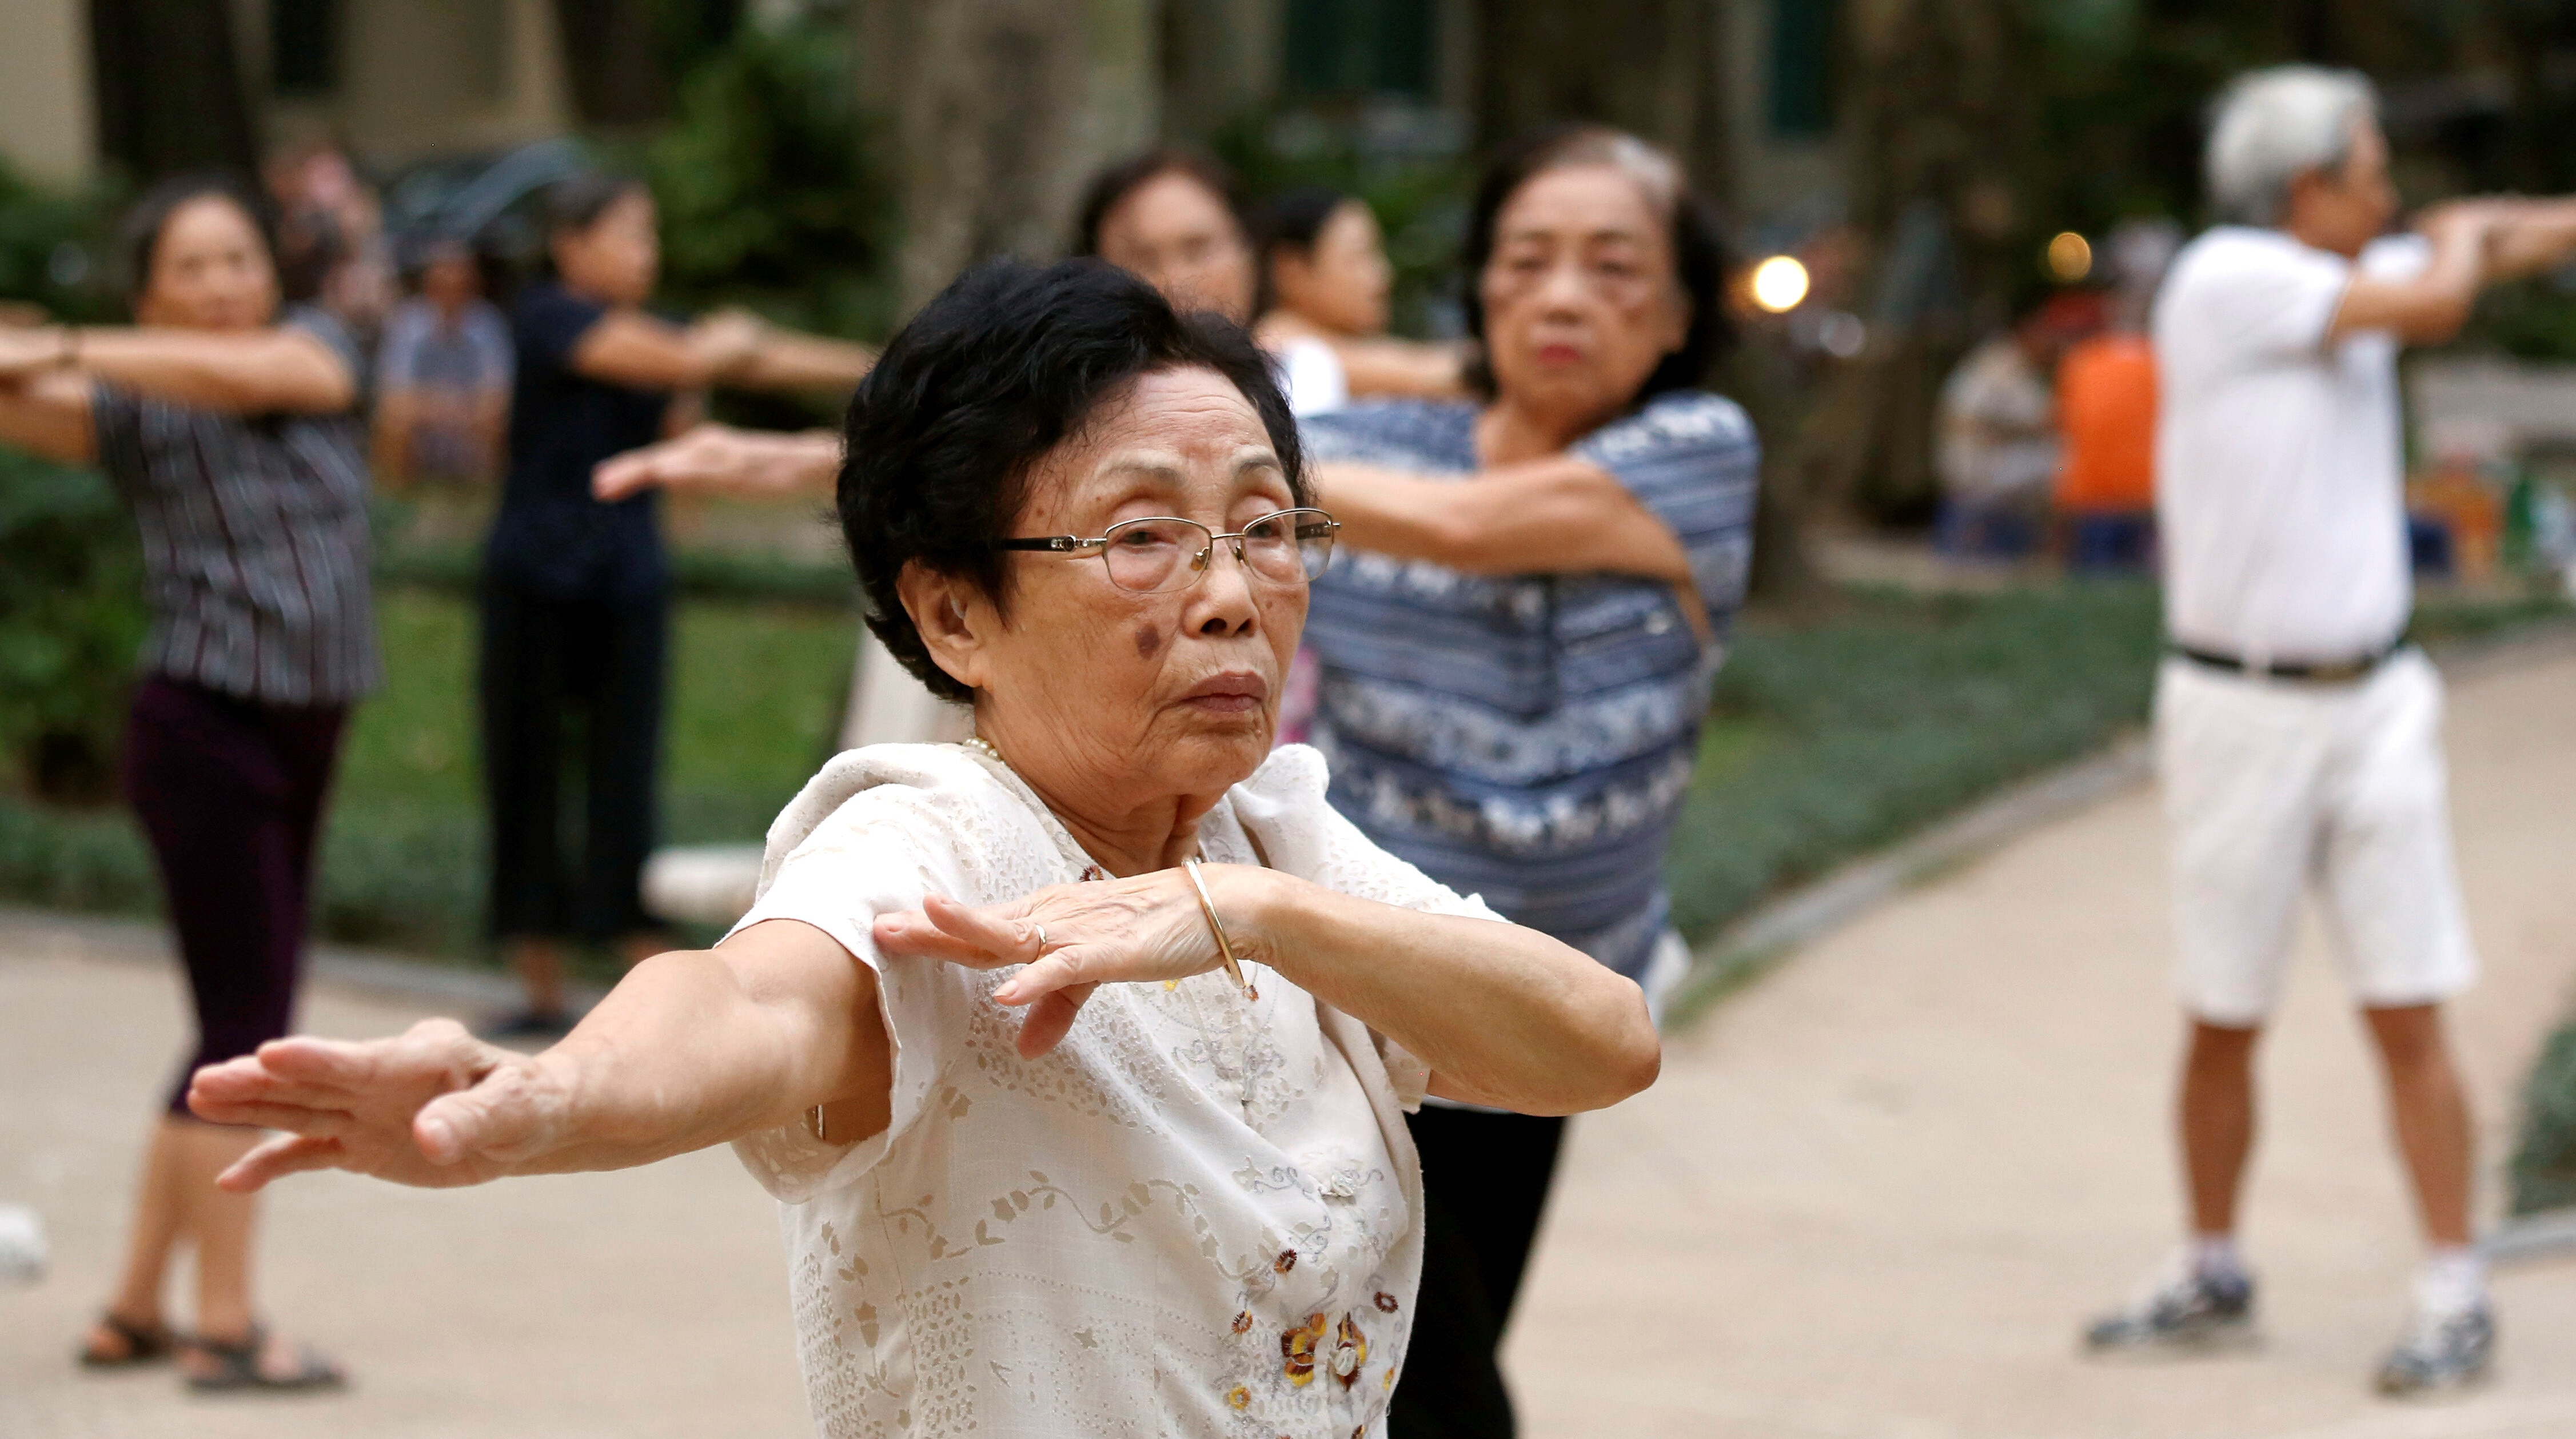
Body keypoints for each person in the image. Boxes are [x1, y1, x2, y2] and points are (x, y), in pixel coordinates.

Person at [185, 257, 1663, 1438]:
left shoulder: (1270, 832)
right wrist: (551, 1090)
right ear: (955, 612)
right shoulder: (934, 839)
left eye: (1267, 528)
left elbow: (1602, 1039)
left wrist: (1258, 910)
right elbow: (753, 1001)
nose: (1231, 595)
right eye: (1140, 537)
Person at [2079, 65, 2576, 1393]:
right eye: (2368, 167)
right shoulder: (2227, 275)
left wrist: (2512, 222)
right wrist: (2464, 239)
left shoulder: (2333, 274)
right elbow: (2443, 281)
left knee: (2408, 1001)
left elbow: (2490, 238)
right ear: (2302, 187)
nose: (2389, 189)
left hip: (2375, 701)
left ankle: (2453, 1288)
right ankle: (2208, 1262)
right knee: (2221, 1010)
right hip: (2235, 707)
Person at [1294, 125, 1759, 1436]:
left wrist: (1243, 464)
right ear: (1482, 289)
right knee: (1422, 1378)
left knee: (1415, 1352)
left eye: (1612, 267)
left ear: (1673, 312)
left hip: (1548, 1005)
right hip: (1359, 1003)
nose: (1561, 296)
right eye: (1527, 259)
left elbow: (1468, 530)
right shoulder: (1363, 443)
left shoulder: (1698, 451)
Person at [0, 173, 376, 1391]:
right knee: (245, 1028)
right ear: (150, 290)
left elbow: (286, 380)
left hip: (305, 725)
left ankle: (132, 1307)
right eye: (194, 267)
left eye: (238, 261)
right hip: (205, 723)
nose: (224, 284)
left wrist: (51, 338)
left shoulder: (313, 346)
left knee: (230, 1018)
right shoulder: (127, 408)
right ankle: (224, 1321)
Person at [480, 173, 875, 1035]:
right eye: (626, 233)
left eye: (649, 236)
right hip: (534, 573)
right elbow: (696, 358)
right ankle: (540, 975)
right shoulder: (547, 314)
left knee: (627, 762)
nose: (644, 252)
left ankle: (640, 959)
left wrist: (883, 364)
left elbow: (751, 356)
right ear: (570, 245)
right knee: (531, 768)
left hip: (626, 570)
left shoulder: (661, 332)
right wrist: (723, 345)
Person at [1253, 186, 1468, 412]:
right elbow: (1440, 375)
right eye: (1360, 256)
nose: (1383, 275)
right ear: (1292, 270)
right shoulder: (1281, 352)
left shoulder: (1339, 350)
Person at [372, 236, 513, 488]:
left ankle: (485, 495)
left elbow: (497, 395)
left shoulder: (488, 324)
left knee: (495, 419)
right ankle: (397, 495)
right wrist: (446, 407)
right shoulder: (407, 324)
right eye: (443, 283)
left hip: (469, 424)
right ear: (429, 285)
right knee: (395, 418)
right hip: (428, 424)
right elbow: (394, 394)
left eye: (459, 284)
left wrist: (457, 410)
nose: (451, 290)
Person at [1936, 300, 2067, 561]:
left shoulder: (2025, 368)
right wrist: (2023, 431)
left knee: (2063, 461)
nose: (2053, 343)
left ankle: (2043, 549)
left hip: (2001, 461)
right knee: (2064, 466)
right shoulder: (1996, 363)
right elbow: (1963, 418)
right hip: (1978, 465)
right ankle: (2057, 552)